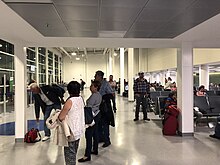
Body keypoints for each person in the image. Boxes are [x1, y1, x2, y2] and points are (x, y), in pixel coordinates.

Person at [58, 81, 85, 165]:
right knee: (74, 153)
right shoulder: (80, 99)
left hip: (71, 131)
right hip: (78, 130)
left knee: (70, 156)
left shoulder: (70, 101)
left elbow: (61, 117)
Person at [78, 80, 102, 162]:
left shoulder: (94, 96)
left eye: (92, 86)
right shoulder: (98, 95)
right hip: (97, 114)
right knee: (95, 133)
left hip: (92, 116)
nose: (90, 87)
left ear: (96, 87)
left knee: (88, 135)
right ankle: (95, 149)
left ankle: (87, 155)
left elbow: (89, 107)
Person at [95, 70, 114, 148]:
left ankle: (107, 140)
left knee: (105, 123)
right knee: (99, 123)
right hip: (98, 107)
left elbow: (111, 94)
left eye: (96, 76)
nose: (95, 77)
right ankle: (101, 138)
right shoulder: (97, 84)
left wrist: (103, 98)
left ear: (100, 76)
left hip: (105, 107)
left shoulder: (106, 84)